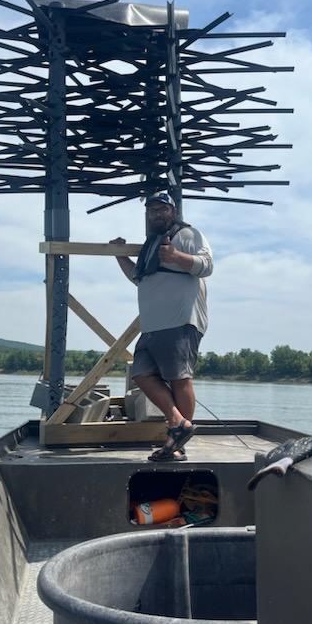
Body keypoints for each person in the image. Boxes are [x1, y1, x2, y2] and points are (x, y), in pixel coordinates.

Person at [111, 191, 213, 461]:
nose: (157, 213)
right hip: (153, 325)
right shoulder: (152, 243)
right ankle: (178, 422)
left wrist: (177, 256)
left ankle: (176, 446)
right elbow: (139, 278)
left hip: (180, 321)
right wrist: (120, 256)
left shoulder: (187, 234)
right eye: (152, 210)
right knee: (141, 373)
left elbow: (207, 265)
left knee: (180, 379)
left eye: (162, 209)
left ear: (173, 210)